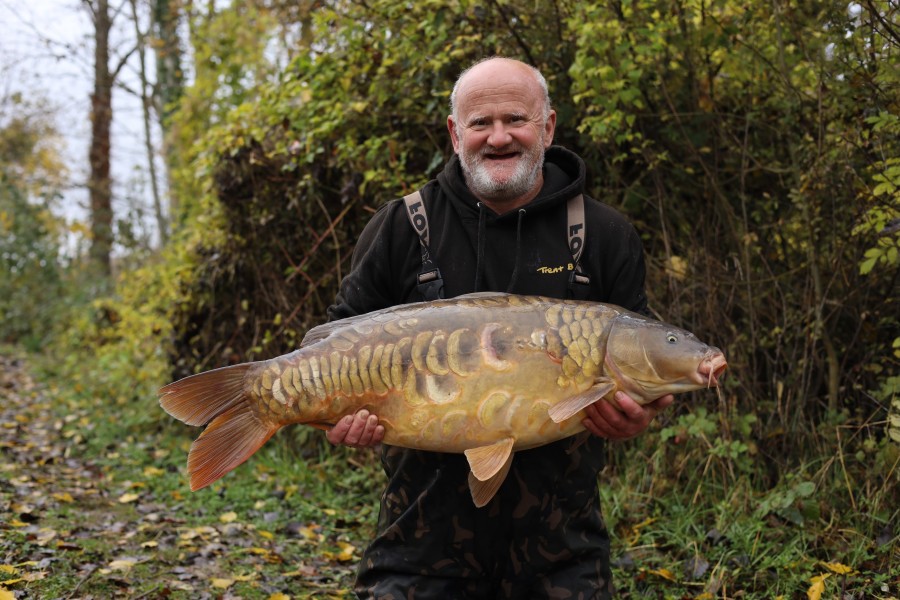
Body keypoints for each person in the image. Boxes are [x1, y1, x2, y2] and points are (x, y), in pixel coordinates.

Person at [324, 57, 673, 599]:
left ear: (549, 127)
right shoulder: (401, 225)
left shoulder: (604, 234)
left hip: (562, 548)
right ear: (455, 132)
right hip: (417, 543)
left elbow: (636, 355)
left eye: (516, 118)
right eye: (480, 123)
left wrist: (637, 415)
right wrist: (339, 413)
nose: (498, 137)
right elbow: (337, 343)